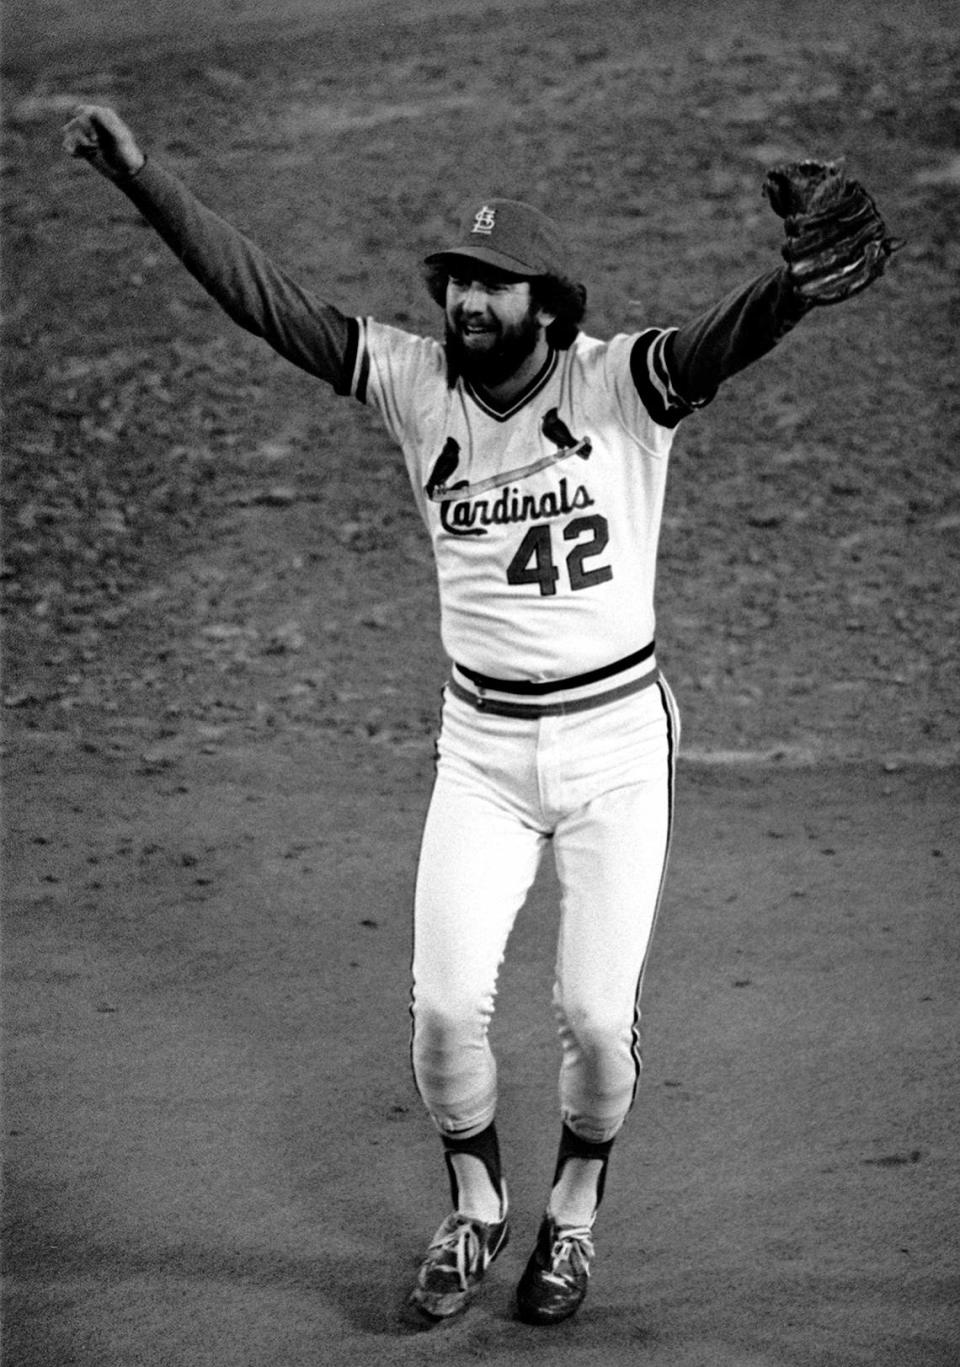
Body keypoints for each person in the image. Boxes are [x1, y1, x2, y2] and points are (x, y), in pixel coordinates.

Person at [61, 105, 885, 1326]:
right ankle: (476, 1203)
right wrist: (143, 180)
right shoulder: (411, 382)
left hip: (614, 748)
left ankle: (573, 1215)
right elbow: (264, 299)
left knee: (598, 1018)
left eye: (492, 287)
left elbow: (722, 340)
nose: (464, 304)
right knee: (446, 1005)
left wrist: (792, 292)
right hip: (483, 755)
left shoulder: (622, 383)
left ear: (548, 303)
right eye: (455, 282)